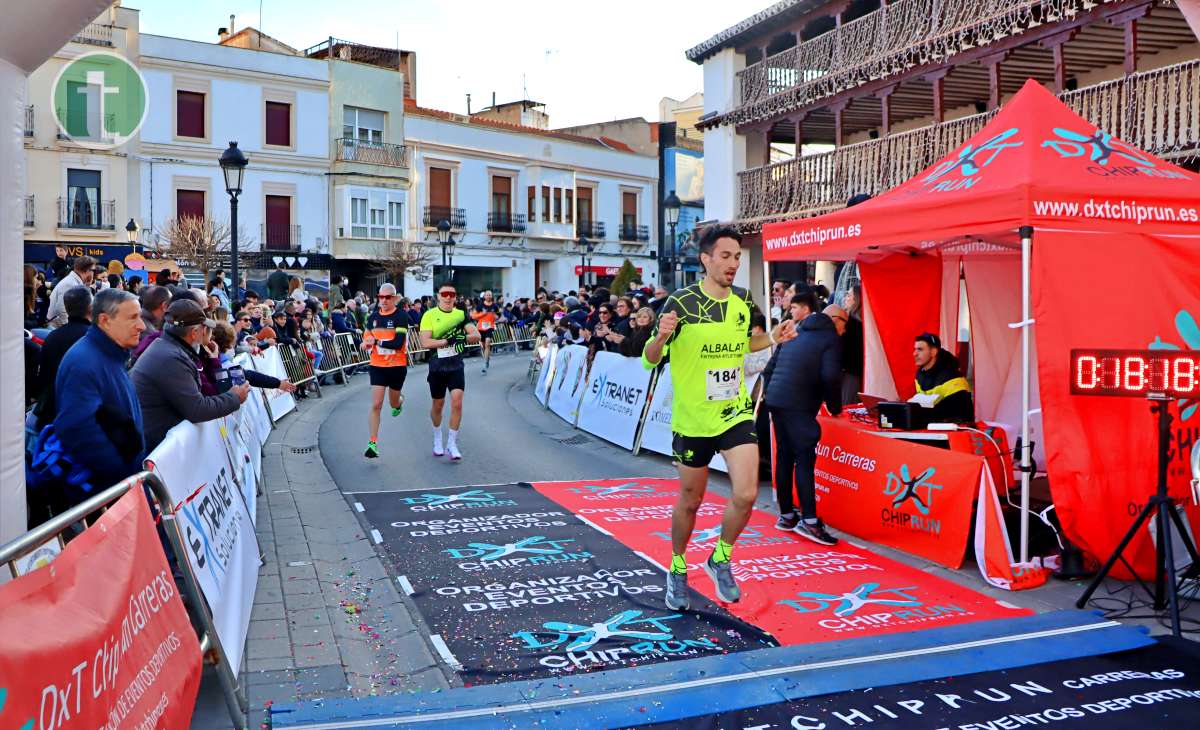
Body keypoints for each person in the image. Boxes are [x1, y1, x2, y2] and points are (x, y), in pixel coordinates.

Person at [642, 224, 796, 609]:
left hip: (733, 412)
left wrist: (774, 337)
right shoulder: (680, 302)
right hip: (693, 419)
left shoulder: (742, 304)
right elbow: (650, 357)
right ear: (706, 259)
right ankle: (677, 567)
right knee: (691, 501)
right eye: (725, 257)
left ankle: (719, 558)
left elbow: (746, 344)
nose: (732, 264)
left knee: (745, 493)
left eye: (737, 258)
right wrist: (660, 337)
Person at [50, 289, 146, 506]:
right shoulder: (85, 362)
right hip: (105, 496)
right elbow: (76, 429)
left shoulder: (109, 354)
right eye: (133, 318)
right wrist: (123, 473)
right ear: (105, 320)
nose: (141, 325)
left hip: (117, 489)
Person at [764, 292, 844, 545]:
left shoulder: (796, 331)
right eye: (844, 323)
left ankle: (787, 515)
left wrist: (772, 392)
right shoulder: (829, 337)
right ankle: (810, 521)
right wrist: (834, 406)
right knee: (804, 459)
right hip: (798, 403)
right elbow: (831, 376)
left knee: (785, 455)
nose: (844, 329)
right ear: (836, 320)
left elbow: (769, 369)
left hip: (777, 399)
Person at [131, 299, 249, 452]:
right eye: (205, 328)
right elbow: (197, 409)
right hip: (155, 448)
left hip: (154, 441)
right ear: (194, 333)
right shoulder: (171, 358)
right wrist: (234, 397)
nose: (208, 334)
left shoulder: (168, 348)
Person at [420, 281, 480, 460]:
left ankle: (452, 443)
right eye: (444, 294)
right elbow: (425, 342)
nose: (448, 297)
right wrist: (447, 341)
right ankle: (437, 437)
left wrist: (460, 338)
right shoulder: (429, 315)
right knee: (438, 405)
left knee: (457, 402)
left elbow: (475, 335)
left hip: (456, 365)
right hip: (437, 366)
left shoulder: (461, 315)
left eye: (452, 295)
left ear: (455, 297)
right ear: (438, 296)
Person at [361, 284, 409, 458]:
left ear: (395, 299)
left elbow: (397, 343)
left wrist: (377, 342)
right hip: (377, 366)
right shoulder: (372, 317)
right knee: (376, 404)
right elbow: (367, 335)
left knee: (393, 403)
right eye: (381, 297)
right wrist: (366, 342)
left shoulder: (401, 316)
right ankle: (372, 443)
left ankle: (399, 402)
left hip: (397, 366)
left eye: (388, 297)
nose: (384, 300)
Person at [34, 287, 93, 428]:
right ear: (91, 308)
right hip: (82, 414)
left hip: (51, 411)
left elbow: (43, 376)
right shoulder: (94, 338)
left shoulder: (52, 337)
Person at [913, 333, 974, 423]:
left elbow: (959, 415)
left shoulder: (952, 377)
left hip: (952, 430)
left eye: (920, 349)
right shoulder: (920, 375)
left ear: (933, 352)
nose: (914, 354)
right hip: (928, 427)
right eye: (915, 349)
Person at [46, 255, 95, 328]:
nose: (94, 273)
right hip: (57, 327)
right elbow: (61, 308)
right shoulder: (70, 283)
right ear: (87, 270)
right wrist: (70, 328)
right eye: (93, 270)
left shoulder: (73, 281)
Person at [840, 284, 864, 406]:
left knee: (847, 406)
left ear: (857, 300)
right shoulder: (860, 323)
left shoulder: (850, 323)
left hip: (850, 373)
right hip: (854, 373)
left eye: (849, 295)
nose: (845, 297)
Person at [471, 291, 501, 374]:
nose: (488, 296)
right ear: (484, 296)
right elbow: (473, 316)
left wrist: (496, 317)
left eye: (490, 295)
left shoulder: (495, 306)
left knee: (488, 343)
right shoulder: (480, 306)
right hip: (481, 328)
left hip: (490, 327)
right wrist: (482, 314)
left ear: (491, 296)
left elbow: (499, 315)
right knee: (484, 346)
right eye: (487, 295)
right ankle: (487, 359)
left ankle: (485, 363)